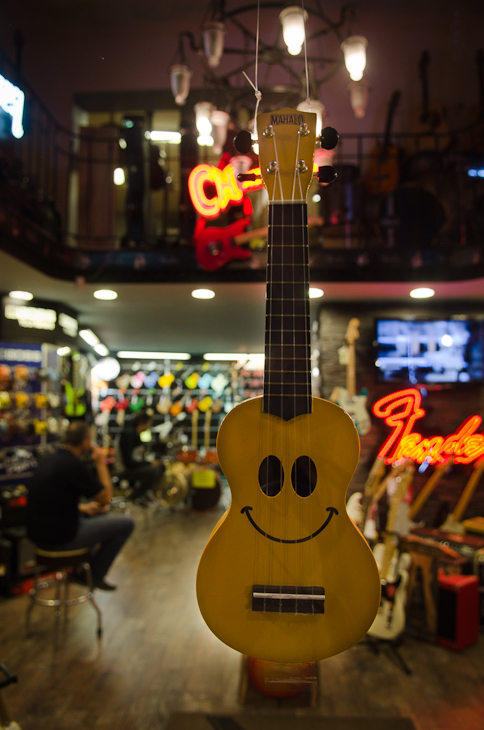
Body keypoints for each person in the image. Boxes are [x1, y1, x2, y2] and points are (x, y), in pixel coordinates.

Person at [26, 421, 135, 591]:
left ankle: (81, 568)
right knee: (127, 523)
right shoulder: (73, 464)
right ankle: (93, 574)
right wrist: (101, 461)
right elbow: (106, 498)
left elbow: (49, 501)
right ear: (85, 442)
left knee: (95, 515)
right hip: (61, 538)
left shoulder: (50, 459)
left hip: (37, 535)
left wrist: (83, 508)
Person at [115, 411, 165, 503]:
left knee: (160, 467)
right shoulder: (129, 434)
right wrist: (149, 463)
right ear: (142, 423)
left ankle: (142, 494)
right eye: (148, 424)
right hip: (124, 469)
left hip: (131, 467)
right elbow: (129, 463)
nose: (149, 427)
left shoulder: (135, 434)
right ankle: (135, 496)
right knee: (155, 470)